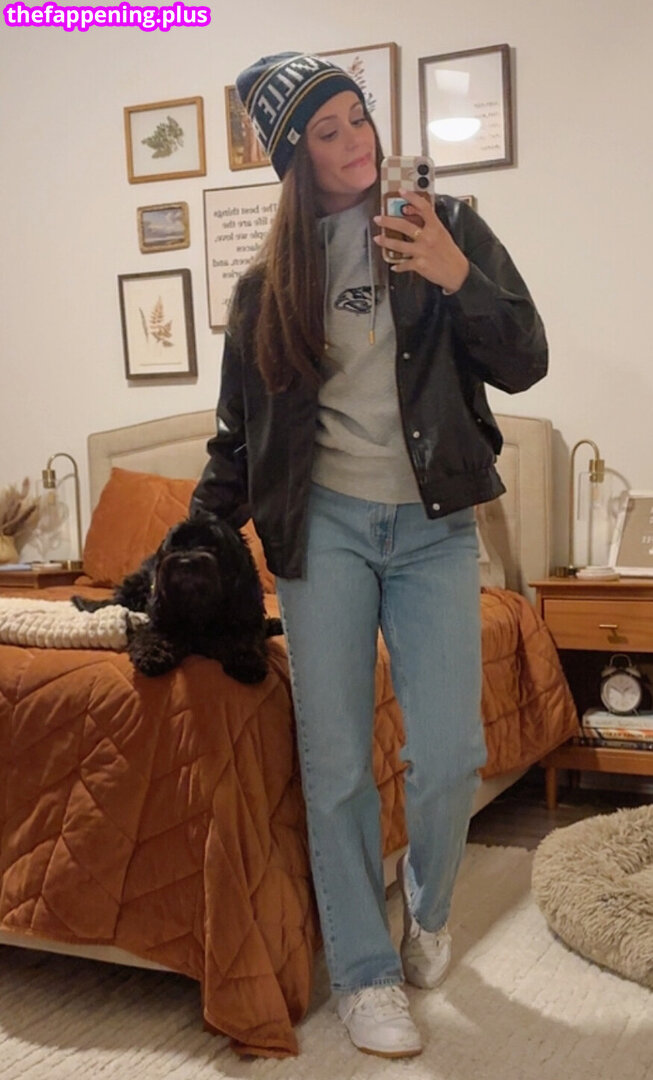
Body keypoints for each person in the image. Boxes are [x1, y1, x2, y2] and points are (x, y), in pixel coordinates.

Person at [191, 51, 548, 1059]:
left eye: (359, 117)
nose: (355, 141)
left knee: (450, 754)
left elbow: (524, 359)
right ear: (294, 157)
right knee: (338, 761)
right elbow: (236, 438)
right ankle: (361, 972)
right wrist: (192, 540)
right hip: (325, 533)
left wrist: (452, 273)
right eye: (328, 130)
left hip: (432, 527)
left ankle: (426, 913)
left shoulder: (447, 226)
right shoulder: (266, 287)